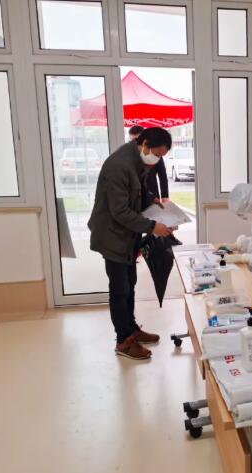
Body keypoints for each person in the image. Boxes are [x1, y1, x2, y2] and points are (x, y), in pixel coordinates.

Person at [88, 127, 173, 360]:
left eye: (161, 157)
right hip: (113, 236)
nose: (157, 160)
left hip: (127, 236)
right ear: (144, 144)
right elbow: (120, 211)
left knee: (130, 284)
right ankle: (123, 341)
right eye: (156, 154)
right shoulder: (119, 166)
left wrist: (152, 201)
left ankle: (131, 329)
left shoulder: (136, 161)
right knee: (119, 289)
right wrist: (152, 226)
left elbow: (137, 193)